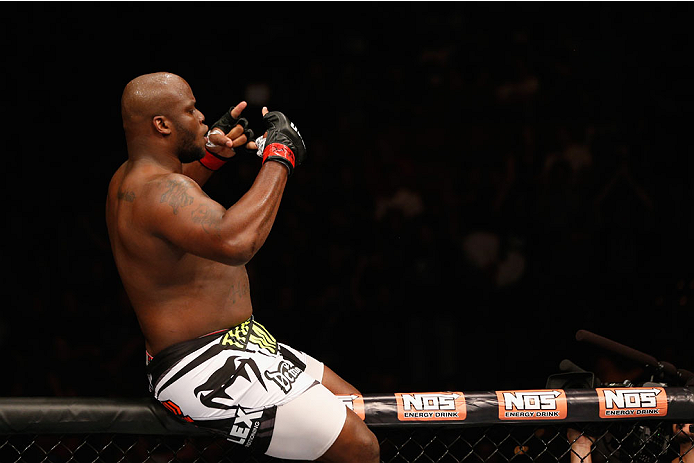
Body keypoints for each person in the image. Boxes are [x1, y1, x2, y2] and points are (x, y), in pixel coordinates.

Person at [105, 72, 380, 462]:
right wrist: (280, 156)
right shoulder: (159, 191)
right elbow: (236, 242)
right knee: (360, 447)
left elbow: (175, 203)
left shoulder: (129, 179)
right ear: (162, 125)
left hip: (241, 341)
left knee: (352, 405)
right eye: (190, 109)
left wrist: (211, 156)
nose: (201, 117)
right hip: (203, 361)